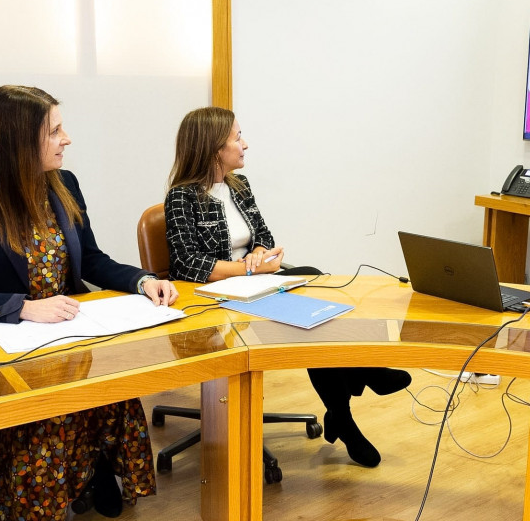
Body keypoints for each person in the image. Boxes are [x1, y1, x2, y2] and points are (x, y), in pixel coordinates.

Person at [0, 85, 179, 520]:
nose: (67, 139)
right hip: (11, 344)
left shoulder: (64, 184)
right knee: (47, 412)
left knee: (117, 386)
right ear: (19, 140)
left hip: (73, 331)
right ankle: (50, 487)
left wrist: (143, 280)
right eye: (55, 131)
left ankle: (92, 467)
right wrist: (22, 306)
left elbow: (93, 259)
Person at [164, 106, 412, 468]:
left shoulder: (240, 187)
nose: (244, 144)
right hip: (213, 299)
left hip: (252, 286)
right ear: (214, 146)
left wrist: (263, 254)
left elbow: (263, 236)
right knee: (305, 317)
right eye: (236, 137)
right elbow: (187, 264)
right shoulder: (182, 197)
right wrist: (247, 270)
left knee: (312, 277)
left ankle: (344, 409)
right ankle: (358, 383)